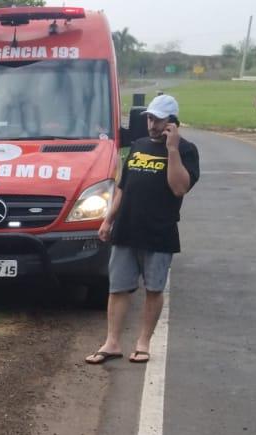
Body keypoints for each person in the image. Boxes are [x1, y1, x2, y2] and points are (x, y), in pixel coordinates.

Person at [87, 93, 200, 366]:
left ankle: (142, 343)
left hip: (159, 232)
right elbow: (123, 188)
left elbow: (179, 187)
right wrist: (108, 220)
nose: (152, 125)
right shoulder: (138, 146)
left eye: (159, 120)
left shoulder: (186, 150)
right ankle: (112, 342)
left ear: (172, 123)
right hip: (126, 228)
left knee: (153, 289)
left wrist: (172, 150)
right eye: (150, 118)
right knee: (118, 289)